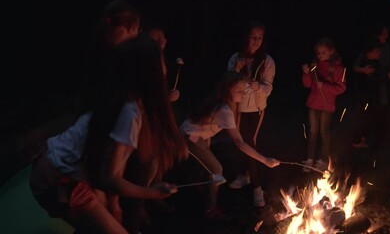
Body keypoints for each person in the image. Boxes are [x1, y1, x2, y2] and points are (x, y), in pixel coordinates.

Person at [29, 35, 188, 233]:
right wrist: (152, 193)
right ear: (150, 72)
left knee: (102, 220)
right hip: (58, 179)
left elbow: (111, 164)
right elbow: (108, 178)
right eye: (161, 61)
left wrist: (114, 203)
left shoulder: (125, 100)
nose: (165, 67)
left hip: (62, 171)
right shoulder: (128, 112)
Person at [180, 71, 280, 218]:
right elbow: (239, 143)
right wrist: (265, 160)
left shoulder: (221, 101)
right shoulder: (224, 109)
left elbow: (204, 123)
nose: (243, 93)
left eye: (243, 89)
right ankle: (210, 207)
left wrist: (206, 139)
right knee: (216, 169)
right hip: (190, 137)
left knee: (207, 159)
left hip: (195, 135)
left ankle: (197, 181)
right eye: (238, 90)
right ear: (227, 90)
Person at [226, 21, 276, 207]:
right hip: (237, 108)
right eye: (253, 37)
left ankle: (256, 187)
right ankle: (245, 175)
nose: (256, 41)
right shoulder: (236, 58)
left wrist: (259, 87)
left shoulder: (267, 61)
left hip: (256, 109)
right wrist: (235, 72)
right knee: (243, 144)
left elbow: (268, 87)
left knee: (249, 144)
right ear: (246, 37)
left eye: (259, 38)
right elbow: (227, 84)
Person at [352, 24, 390, 149]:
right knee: (367, 113)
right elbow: (359, 69)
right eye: (383, 34)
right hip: (371, 89)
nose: (386, 36)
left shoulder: (385, 48)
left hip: (381, 85)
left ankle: (375, 138)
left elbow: (388, 65)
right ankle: (363, 139)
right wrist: (363, 70)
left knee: (379, 111)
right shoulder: (368, 53)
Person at [301, 37, 346, 172]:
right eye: (319, 53)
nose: (320, 55)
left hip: (327, 105)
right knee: (313, 131)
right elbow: (307, 84)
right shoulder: (315, 65)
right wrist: (306, 74)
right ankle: (310, 159)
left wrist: (325, 86)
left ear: (331, 51)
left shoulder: (339, 68)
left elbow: (342, 88)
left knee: (323, 132)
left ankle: (323, 160)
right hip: (313, 103)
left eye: (323, 52)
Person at [147, 27, 180, 103]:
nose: (162, 42)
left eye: (163, 39)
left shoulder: (162, 59)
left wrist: (172, 95)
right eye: (157, 39)